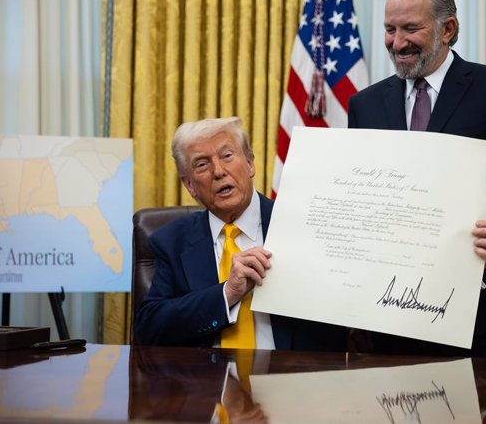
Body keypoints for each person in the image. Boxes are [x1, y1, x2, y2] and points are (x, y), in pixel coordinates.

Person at [347, 0, 486, 358]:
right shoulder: (365, 105)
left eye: (411, 28)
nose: (397, 42)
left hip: (484, 315)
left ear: (448, 29)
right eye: (389, 30)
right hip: (391, 315)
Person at [134, 117, 346, 350]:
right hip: (208, 380)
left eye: (227, 156)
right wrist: (227, 293)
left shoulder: (304, 226)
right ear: (190, 185)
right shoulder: (171, 241)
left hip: (289, 376)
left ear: (250, 164)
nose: (219, 172)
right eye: (202, 164)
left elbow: (338, 314)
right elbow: (149, 328)